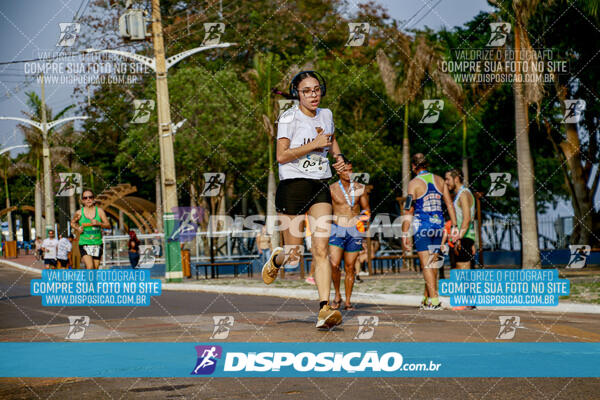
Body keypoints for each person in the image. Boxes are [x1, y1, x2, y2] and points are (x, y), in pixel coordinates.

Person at [262, 70, 346, 329]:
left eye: (316, 89)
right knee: (294, 254)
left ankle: (324, 309)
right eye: (307, 91)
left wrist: (339, 159)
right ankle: (277, 259)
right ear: (297, 93)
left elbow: (331, 141)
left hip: (320, 185)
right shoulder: (288, 118)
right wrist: (313, 144)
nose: (313, 95)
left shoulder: (327, 114)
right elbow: (281, 156)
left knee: (322, 251)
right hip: (293, 186)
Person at [402, 153, 457, 310]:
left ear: (413, 166)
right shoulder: (440, 180)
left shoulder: (414, 183)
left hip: (422, 227)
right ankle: (427, 298)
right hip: (438, 226)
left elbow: (408, 208)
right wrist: (454, 226)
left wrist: (405, 233)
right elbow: (449, 203)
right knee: (433, 264)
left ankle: (434, 301)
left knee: (427, 265)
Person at [329, 159, 370, 310]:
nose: (349, 173)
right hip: (336, 228)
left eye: (351, 170)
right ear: (339, 172)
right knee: (334, 265)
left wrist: (363, 221)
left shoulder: (360, 188)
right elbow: (326, 210)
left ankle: (347, 301)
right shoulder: (332, 189)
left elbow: (366, 209)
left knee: (350, 267)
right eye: (346, 170)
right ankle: (337, 295)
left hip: (354, 230)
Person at [445, 168, 477, 310]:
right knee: (460, 269)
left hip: (464, 237)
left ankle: (466, 301)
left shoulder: (464, 194)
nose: (446, 183)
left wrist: (460, 237)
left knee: (463, 269)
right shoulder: (459, 194)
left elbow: (467, 218)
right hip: (464, 237)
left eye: (448, 179)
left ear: (456, 178)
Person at [70, 189, 110, 269]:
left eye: (90, 197)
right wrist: (78, 228)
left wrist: (99, 223)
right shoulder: (79, 213)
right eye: (85, 198)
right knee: (90, 266)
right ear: (82, 200)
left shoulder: (99, 211)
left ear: (94, 199)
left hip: (97, 243)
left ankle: (91, 281)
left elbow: (108, 225)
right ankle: (89, 281)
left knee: (95, 268)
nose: (88, 199)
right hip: (85, 243)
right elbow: (72, 223)